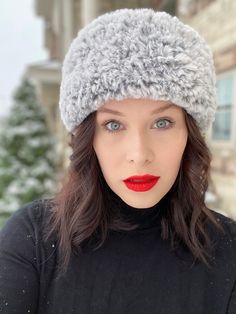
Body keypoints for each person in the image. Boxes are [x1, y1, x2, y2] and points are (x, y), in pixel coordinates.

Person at [0, 8, 235, 314]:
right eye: (113, 125)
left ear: (190, 133)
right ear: (88, 138)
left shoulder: (229, 253)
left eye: (162, 122)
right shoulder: (33, 241)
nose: (139, 154)